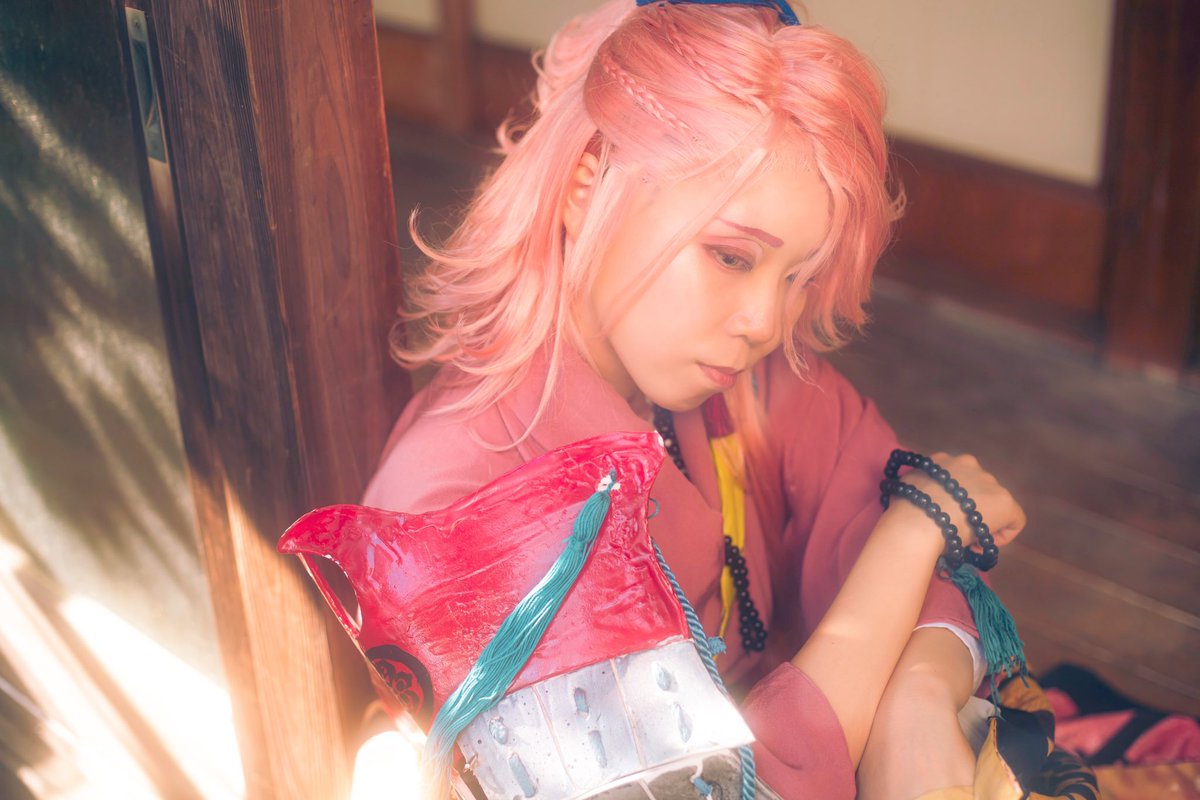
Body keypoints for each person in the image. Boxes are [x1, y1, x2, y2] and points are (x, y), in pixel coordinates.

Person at [362, 1, 1027, 797]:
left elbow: (900, 541)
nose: (765, 322)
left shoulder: (748, 385)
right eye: (731, 256)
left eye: (797, 277)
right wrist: (915, 530)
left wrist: (916, 697)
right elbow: (722, 789)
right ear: (584, 186)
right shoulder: (451, 504)